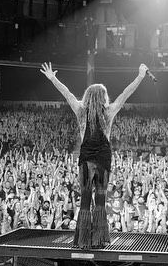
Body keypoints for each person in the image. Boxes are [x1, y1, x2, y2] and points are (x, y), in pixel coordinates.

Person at [40, 62, 149, 248]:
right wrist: (140, 76)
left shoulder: (80, 111)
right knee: (100, 199)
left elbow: (66, 93)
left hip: (86, 158)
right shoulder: (109, 112)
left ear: (88, 96)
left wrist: (53, 79)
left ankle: (82, 240)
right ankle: (98, 240)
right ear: (102, 97)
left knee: (84, 199)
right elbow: (126, 93)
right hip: (103, 159)